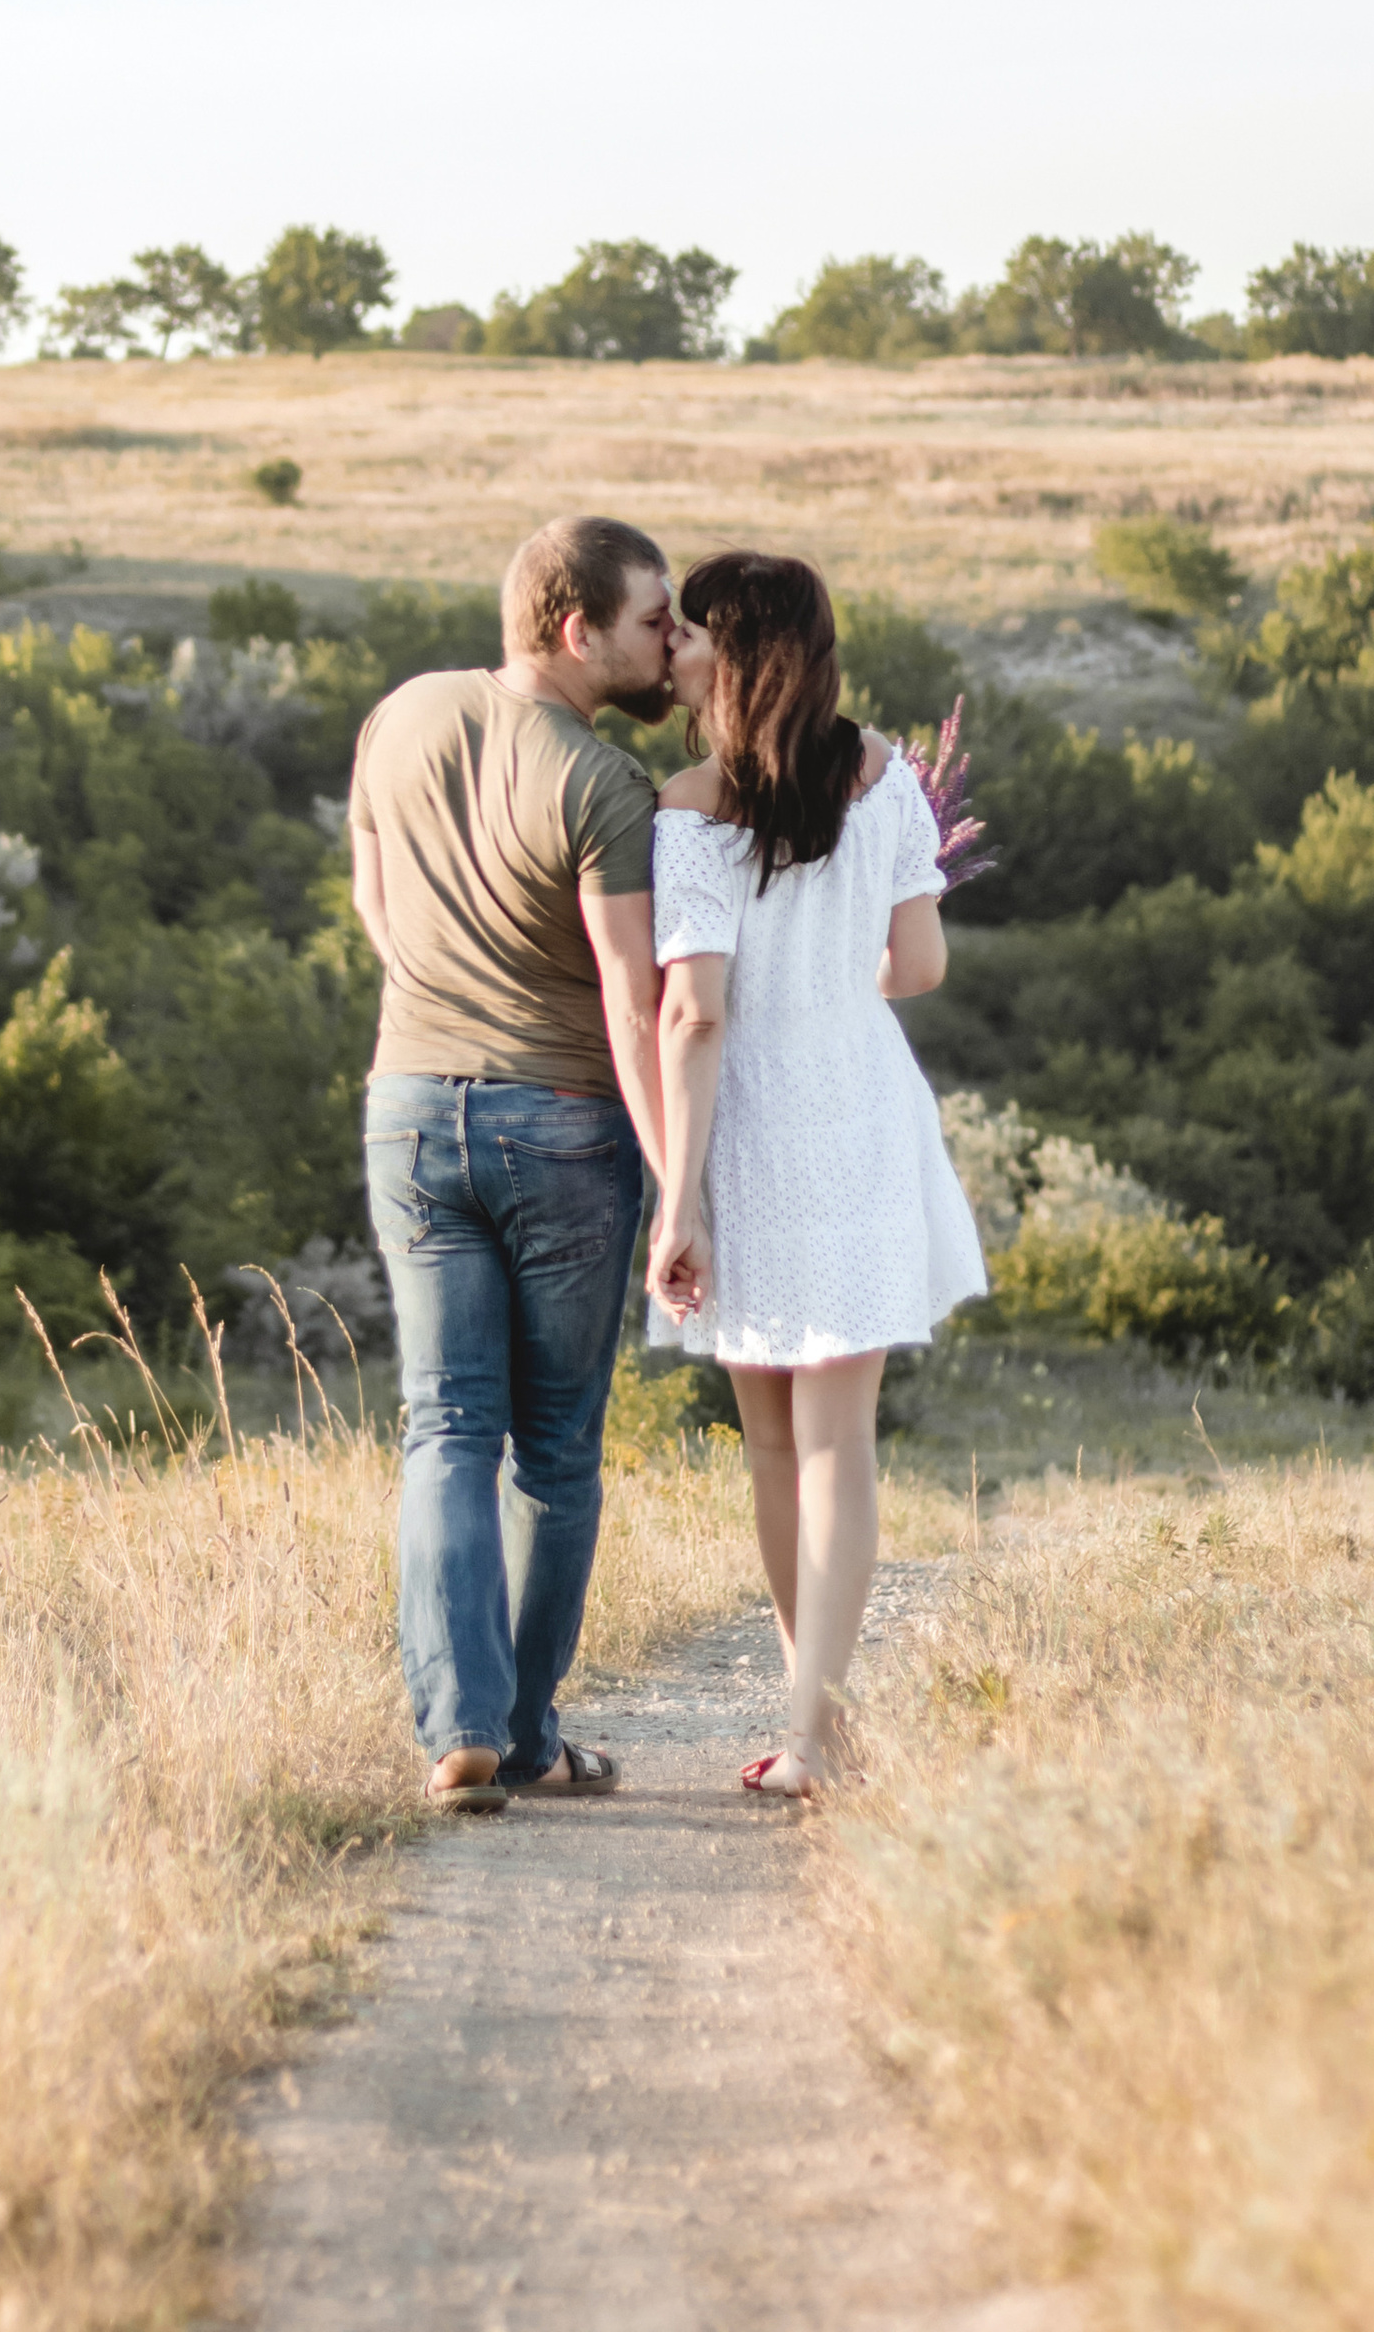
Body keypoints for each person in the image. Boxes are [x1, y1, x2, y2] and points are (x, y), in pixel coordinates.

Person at [645, 549, 986, 1799]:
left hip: (752, 1124)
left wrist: (678, 1201)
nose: (673, 648)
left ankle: (816, 1729)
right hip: (862, 1106)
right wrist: (835, 973)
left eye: (691, 632)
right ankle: (814, 1726)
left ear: (734, 652)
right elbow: (922, 964)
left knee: (776, 1449)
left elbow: (695, 1016)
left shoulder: (689, 808)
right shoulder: (885, 773)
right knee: (842, 1441)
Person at [351, 515, 676, 1812]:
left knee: (445, 1425)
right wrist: (681, 1185)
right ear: (575, 628)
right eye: (652, 620)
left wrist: (437, 994)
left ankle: (459, 1730)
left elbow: (374, 902)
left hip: (409, 1108)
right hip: (564, 1124)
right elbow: (635, 1004)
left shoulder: (400, 716)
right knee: (552, 1449)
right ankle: (529, 1737)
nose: (671, 642)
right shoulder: (604, 785)